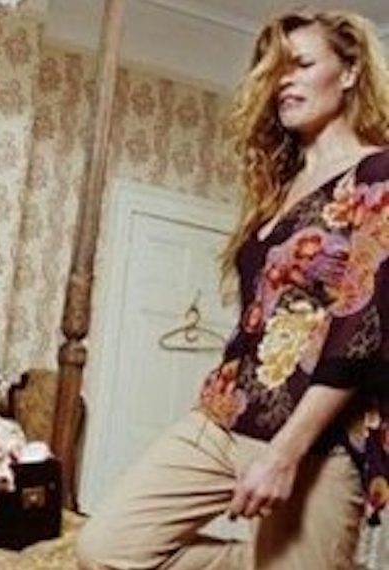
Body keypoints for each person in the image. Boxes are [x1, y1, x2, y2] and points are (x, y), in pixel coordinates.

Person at [77, 9, 389, 570]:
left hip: (317, 440)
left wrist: (285, 453)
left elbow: (362, 326)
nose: (284, 81)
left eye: (301, 64)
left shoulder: (378, 174)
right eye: (275, 70)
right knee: (104, 550)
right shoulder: (279, 189)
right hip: (224, 415)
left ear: (349, 73)